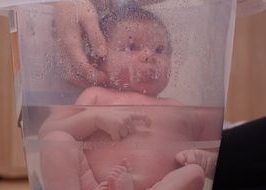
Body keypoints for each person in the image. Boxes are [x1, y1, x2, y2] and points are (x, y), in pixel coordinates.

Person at [40, 5, 221, 190]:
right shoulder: (96, 96)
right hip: (94, 185)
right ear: (99, 57)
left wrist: (204, 159)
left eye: (159, 50)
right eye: (132, 47)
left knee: (193, 172)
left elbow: (213, 148)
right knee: (58, 141)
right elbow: (48, 132)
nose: (149, 56)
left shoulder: (177, 108)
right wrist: (94, 119)